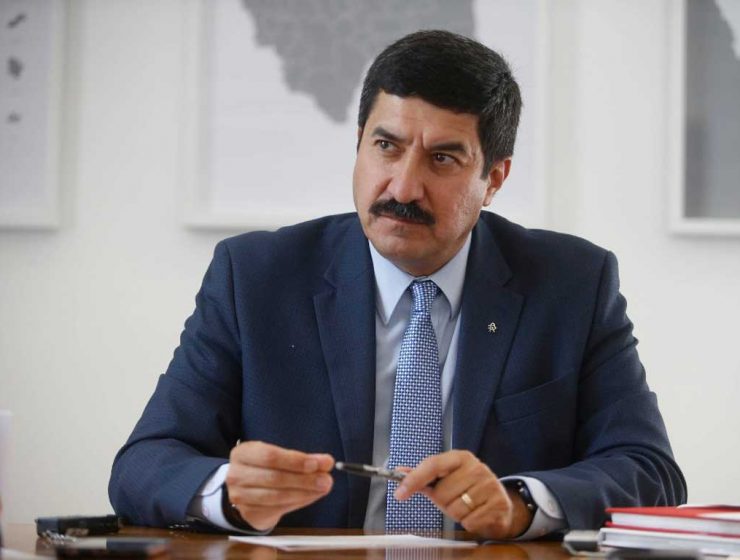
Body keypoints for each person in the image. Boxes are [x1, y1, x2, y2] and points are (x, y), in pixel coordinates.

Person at [109, 30, 686, 540]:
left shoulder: (572, 284)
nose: (404, 188)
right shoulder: (257, 276)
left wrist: (522, 503)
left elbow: (649, 469)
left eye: (443, 159)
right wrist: (228, 493)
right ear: (360, 142)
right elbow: (144, 463)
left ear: (494, 178)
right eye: (386, 147)